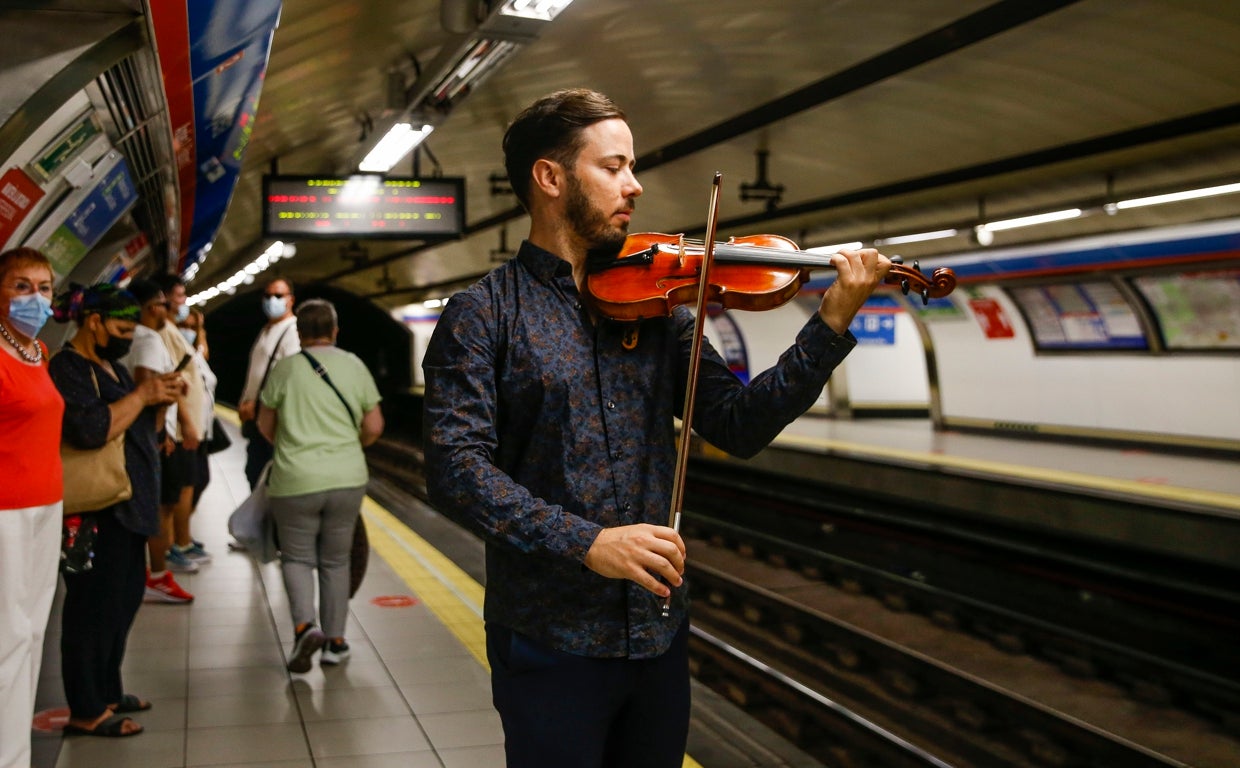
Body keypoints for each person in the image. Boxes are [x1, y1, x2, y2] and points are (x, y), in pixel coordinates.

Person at [422, 88, 891, 767]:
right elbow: (457, 471)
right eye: (612, 167)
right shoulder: (483, 314)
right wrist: (588, 543)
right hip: (548, 640)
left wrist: (830, 325)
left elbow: (737, 425)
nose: (634, 185)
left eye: (632, 166)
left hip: (656, 634)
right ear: (550, 178)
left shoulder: (662, 307)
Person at [48, 283, 182, 738]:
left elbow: (136, 423)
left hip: (126, 506)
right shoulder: (67, 367)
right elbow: (89, 429)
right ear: (93, 322)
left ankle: (108, 690)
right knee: (90, 607)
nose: (129, 336)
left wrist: (159, 399)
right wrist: (142, 397)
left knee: (121, 602)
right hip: (93, 511)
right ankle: (85, 710)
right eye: (122, 327)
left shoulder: (109, 367)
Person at [257, 299, 383, 672]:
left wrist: (296, 445)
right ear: (334, 330)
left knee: (295, 557)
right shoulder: (354, 365)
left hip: (294, 480)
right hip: (346, 478)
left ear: (299, 333)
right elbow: (374, 427)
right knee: (336, 560)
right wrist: (345, 448)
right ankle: (336, 643)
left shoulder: (285, 369)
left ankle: (303, 628)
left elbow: (265, 426)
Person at [0, 247, 62, 768]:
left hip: (45, 505)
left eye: (44, 288)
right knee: (8, 637)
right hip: (5, 512)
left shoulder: (36, 352)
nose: (35, 297)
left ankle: (15, 754)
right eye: (22, 286)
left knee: (33, 635)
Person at [119, 278, 194, 603]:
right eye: (165, 303)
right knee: (160, 507)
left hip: (137, 434)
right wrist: (162, 430)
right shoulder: (148, 339)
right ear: (152, 308)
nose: (170, 308)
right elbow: (147, 389)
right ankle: (157, 574)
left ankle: (146, 572)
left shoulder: (128, 337)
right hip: (154, 437)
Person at [151, 274, 210, 571]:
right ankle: (170, 550)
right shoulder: (162, 333)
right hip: (177, 426)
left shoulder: (172, 330)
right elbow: (170, 378)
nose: (182, 302)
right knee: (176, 491)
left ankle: (176, 544)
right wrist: (186, 422)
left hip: (186, 424)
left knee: (186, 485)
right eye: (177, 296)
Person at [239, 277, 299, 489]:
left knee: (265, 478)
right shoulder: (267, 329)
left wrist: (259, 405)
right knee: (255, 475)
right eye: (267, 295)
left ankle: (267, 522)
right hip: (257, 418)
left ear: (290, 300)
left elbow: (288, 377)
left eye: (278, 295)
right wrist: (247, 400)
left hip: (272, 420)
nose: (271, 300)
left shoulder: (292, 331)